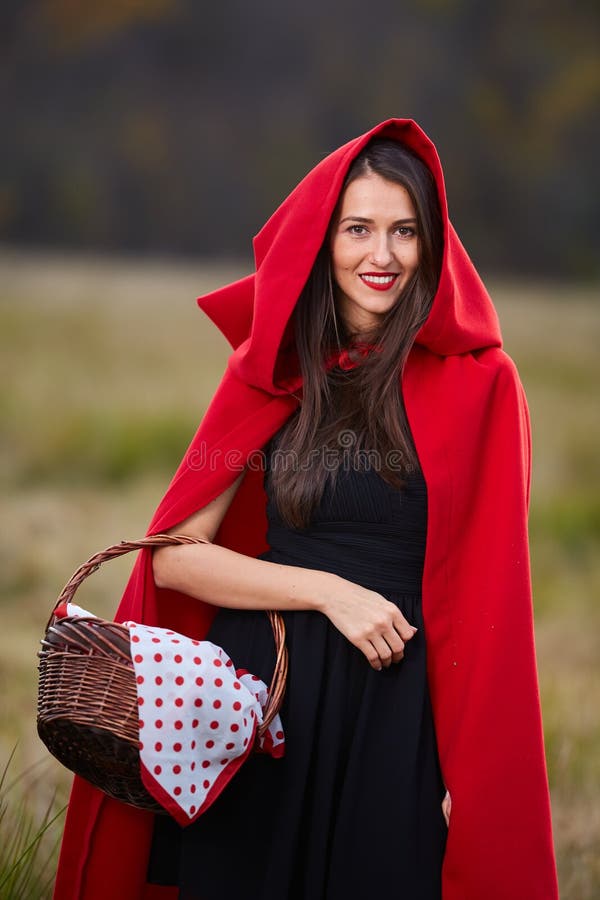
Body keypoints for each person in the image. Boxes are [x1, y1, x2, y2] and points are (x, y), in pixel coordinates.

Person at [52, 119, 559, 900]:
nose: (380, 256)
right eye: (358, 229)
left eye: (405, 232)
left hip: (396, 708)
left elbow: (494, 598)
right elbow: (175, 552)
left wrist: (473, 771)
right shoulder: (270, 370)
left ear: (434, 248)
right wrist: (330, 591)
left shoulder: (481, 385)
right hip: (267, 701)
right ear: (324, 239)